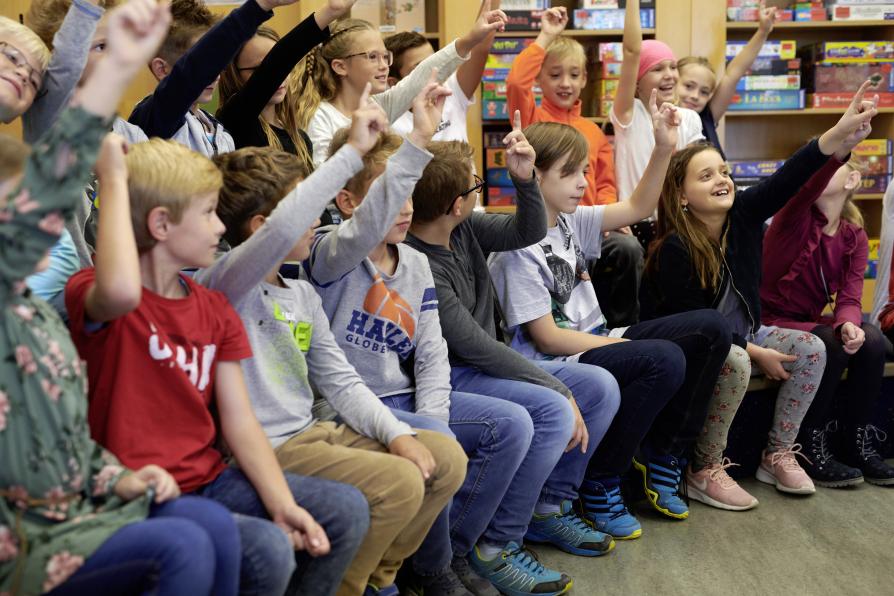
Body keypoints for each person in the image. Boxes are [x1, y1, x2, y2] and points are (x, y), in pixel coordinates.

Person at [66, 85, 372, 595]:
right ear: (160, 224)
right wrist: (114, 182)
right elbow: (119, 286)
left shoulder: (210, 303)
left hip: (207, 478)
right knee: (266, 548)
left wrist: (282, 505)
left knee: (342, 511)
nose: (220, 225)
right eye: (208, 213)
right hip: (132, 491)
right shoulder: (98, 293)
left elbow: (239, 419)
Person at [1, 2, 243, 594]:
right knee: (186, 540)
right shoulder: (51, 138)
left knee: (218, 529)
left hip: (61, 342)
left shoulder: (35, 323)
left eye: (30, 73)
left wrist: (112, 479)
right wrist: (106, 50)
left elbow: (62, 434)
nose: (24, 79)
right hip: (32, 527)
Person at [201, 81, 468, 596]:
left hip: (314, 432)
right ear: (265, 225)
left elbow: (341, 382)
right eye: (306, 212)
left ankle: (375, 580)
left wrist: (396, 433)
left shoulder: (299, 293)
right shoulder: (225, 285)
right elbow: (294, 231)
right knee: (399, 482)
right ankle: (344, 586)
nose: (316, 221)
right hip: (269, 447)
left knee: (446, 460)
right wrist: (360, 154)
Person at [489, 102, 746, 522]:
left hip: (597, 339)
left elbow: (639, 206)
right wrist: (622, 341)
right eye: (570, 173)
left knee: (712, 329)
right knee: (662, 357)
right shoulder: (517, 247)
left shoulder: (570, 219)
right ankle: (601, 479)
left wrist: (664, 147)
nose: (582, 182)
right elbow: (547, 339)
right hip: (557, 358)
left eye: (585, 171)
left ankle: (663, 455)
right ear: (535, 176)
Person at [309, 124, 539, 596]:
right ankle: (427, 571)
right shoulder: (329, 251)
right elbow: (353, 241)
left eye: (410, 190)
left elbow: (432, 354)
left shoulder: (413, 262)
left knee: (511, 425)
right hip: (345, 410)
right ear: (349, 203)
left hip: (407, 399)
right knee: (435, 442)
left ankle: (446, 554)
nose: (408, 205)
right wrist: (432, 432)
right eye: (392, 193)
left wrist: (435, 419)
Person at [406, 111, 627, 595]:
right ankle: (489, 545)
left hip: (481, 365)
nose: (478, 191)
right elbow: (475, 348)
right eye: (474, 185)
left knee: (599, 386)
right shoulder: (421, 263)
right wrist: (551, 385)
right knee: (550, 408)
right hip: (454, 375)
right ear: (454, 205)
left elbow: (527, 231)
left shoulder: (464, 229)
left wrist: (523, 179)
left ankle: (547, 510)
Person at [642, 81, 878, 497]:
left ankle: (778, 454)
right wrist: (755, 352)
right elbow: (698, 328)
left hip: (750, 334)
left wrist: (839, 133)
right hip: (699, 347)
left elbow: (792, 177)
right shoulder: (674, 249)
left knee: (812, 348)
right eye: (706, 175)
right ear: (681, 196)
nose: (722, 180)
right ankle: (706, 467)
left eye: (724, 171)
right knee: (733, 359)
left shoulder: (745, 217)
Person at [762, 156, 894, 486]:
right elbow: (806, 185)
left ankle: (856, 442)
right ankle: (810, 444)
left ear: (851, 182)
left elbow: (850, 298)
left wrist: (849, 322)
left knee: (872, 340)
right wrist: (838, 147)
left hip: (809, 320)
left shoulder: (855, 236)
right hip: (769, 320)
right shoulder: (792, 217)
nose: (814, 173)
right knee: (829, 341)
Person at [506, 6, 641, 328]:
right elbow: (514, 83)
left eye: (574, 74)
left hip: (589, 225)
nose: (565, 83)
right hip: (546, 229)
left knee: (628, 246)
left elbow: (606, 182)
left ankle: (622, 328)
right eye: (554, 75)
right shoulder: (532, 119)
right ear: (539, 77)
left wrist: (609, 212)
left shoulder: (594, 131)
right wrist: (546, 36)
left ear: (585, 79)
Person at [294, 0, 507, 165]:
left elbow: (422, 75)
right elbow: (326, 183)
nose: (384, 65)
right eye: (372, 57)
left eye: (385, 56)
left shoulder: (378, 104)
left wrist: (469, 39)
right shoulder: (320, 117)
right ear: (341, 66)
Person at [128, 0, 297, 156]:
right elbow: (190, 75)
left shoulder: (220, 131)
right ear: (161, 69)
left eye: (217, 63)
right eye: (208, 64)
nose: (214, 74)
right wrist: (260, 5)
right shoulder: (154, 117)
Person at [216, 0, 356, 168]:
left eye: (283, 70)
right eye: (259, 70)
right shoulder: (235, 121)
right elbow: (278, 62)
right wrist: (329, 12)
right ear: (233, 75)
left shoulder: (300, 138)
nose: (278, 77)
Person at [612, 0, 704, 249]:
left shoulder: (690, 118)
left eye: (673, 67)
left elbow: (694, 170)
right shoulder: (628, 116)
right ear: (637, 82)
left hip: (681, 221)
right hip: (636, 223)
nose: (669, 74)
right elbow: (631, 53)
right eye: (657, 69)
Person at [384, 0, 500, 143]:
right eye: (421, 69)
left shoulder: (450, 90)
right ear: (393, 83)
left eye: (435, 61)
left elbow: (480, 48)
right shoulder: (387, 121)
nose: (435, 71)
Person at [676, 0, 778, 159]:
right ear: (674, 82)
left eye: (704, 92)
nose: (695, 96)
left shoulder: (707, 117)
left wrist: (763, 31)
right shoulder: (659, 123)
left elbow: (734, 73)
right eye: (689, 86)